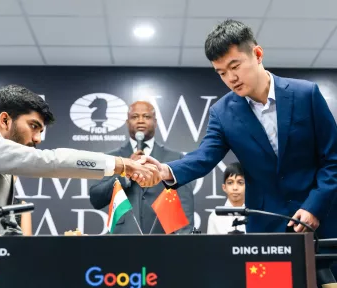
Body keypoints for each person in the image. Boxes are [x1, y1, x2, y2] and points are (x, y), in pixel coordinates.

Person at [143, 19, 337, 239]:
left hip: (323, 219)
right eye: (221, 73)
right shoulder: (222, 113)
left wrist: (315, 206)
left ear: (258, 54)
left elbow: (332, 159)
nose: (231, 78)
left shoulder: (306, 94)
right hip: (266, 225)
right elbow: (204, 157)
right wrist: (164, 171)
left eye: (235, 66)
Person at [0, 85, 160, 236]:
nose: (37, 138)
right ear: (5, 120)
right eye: (33, 126)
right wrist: (119, 164)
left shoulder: (4, 170)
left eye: (41, 130)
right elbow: (48, 161)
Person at [89, 101, 194, 234]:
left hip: (164, 236)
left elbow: (185, 203)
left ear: (155, 122)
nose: (140, 121)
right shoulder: (111, 158)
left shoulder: (175, 158)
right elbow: (96, 199)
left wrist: (185, 239)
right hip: (122, 236)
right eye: (134, 117)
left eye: (146, 116)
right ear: (127, 122)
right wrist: (125, 173)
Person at [207, 162, 245, 234]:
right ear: (224, 187)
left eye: (240, 182)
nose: (235, 188)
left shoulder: (255, 216)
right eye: (230, 183)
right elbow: (211, 245)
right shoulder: (214, 217)